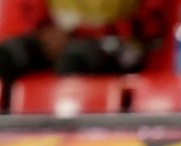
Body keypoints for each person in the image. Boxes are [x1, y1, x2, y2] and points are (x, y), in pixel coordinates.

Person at [0, 0, 167, 85]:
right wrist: (45, 34)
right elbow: (33, 13)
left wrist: (75, 34)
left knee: (75, 57)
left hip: (123, 44)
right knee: (9, 53)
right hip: (61, 39)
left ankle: (66, 139)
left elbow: (150, 24)